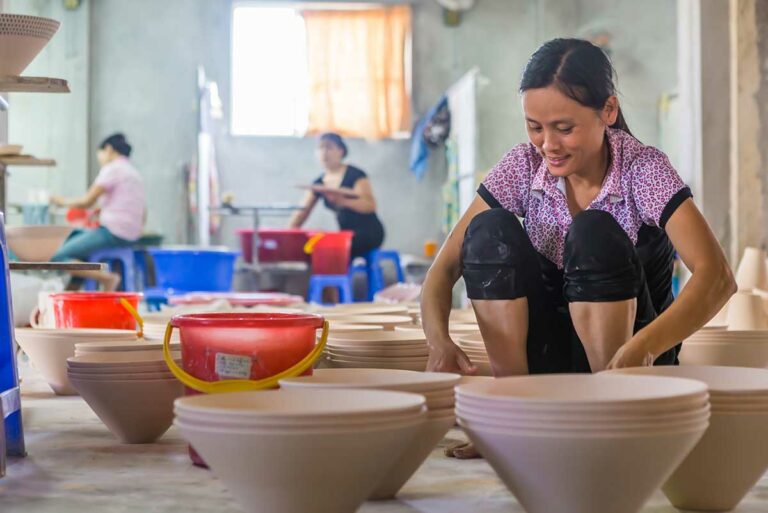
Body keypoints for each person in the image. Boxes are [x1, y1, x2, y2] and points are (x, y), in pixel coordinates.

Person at [420, 39, 736, 458]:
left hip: (630, 364)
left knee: (592, 234)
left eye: (564, 128)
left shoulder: (642, 169)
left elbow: (717, 277)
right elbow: (440, 273)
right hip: (548, 365)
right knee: (489, 230)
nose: (547, 144)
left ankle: (610, 415)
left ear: (608, 111)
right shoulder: (523, 166)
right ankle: (517, 412)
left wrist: (644, 348)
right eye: (535, 126)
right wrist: (438, 341)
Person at [50, 133, 146, 291]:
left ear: (108, 149)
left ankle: (107, 279)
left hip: (113, 232)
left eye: (99, 155)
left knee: (58, 257)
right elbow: (141, 209)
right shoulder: (134, 173)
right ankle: (72, 294)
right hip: (132, 234)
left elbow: (86, 201)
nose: (100, 159)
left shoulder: (113, 168)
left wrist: (58, 201)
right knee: (77, 244)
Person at [290, 132, 385, 259]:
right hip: (345, 234)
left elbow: (370, 205)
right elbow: (302, 212)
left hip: (368, 233)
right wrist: (288, 235)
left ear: (341, 151)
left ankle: (338, 277)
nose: (324, 152)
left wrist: (342, 201)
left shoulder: (355, 175)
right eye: (320, 148)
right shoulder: (319, 183)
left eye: (329, 147)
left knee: (333, 248)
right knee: (311, 247)